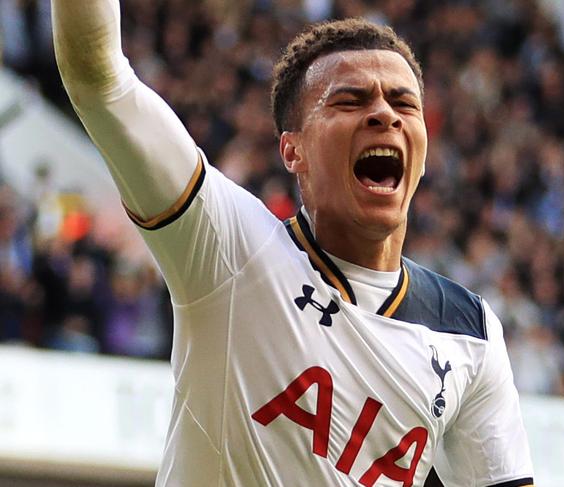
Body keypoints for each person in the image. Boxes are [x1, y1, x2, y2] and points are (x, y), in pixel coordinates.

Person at [52, 1, 535, 485]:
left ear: (425, 153)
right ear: (292, 149)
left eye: (404, 103)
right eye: (351, 101)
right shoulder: (232, 250)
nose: (385, 115)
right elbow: (101, 80)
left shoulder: (470, 331)